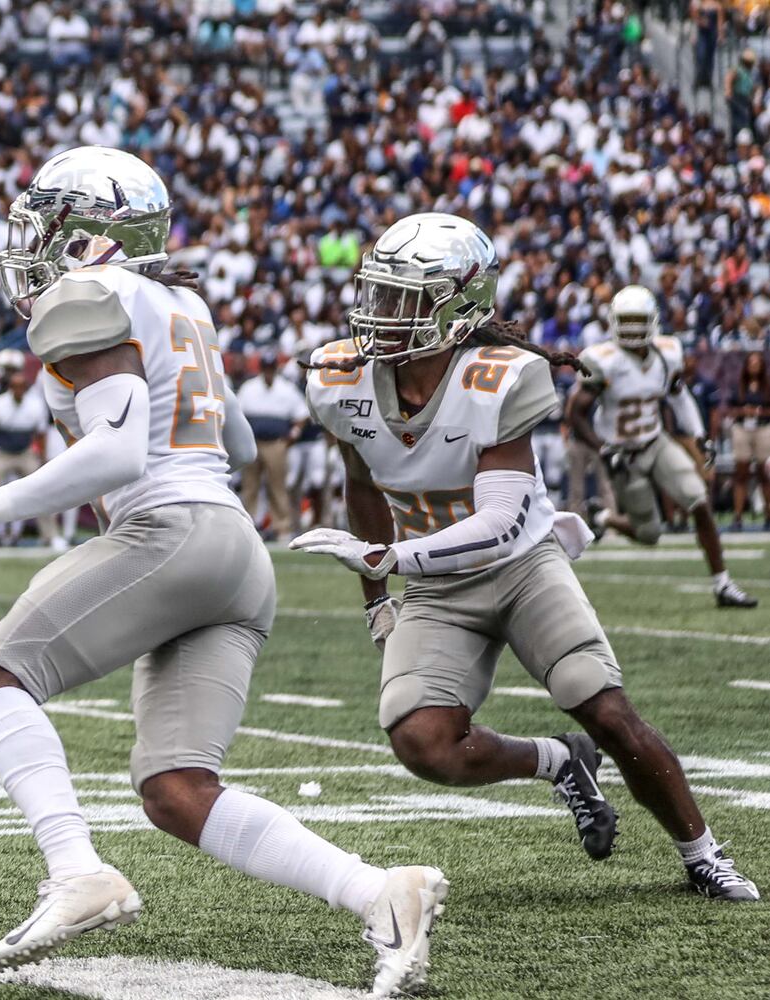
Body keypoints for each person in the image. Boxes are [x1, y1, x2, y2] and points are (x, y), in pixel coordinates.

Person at [0, 148, 450, 997]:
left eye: (47, 221)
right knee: (176, 790)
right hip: (233, 553)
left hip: (171, 532)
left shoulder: (88, 297)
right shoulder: (182, 303)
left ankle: (76, 870)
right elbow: (243, 445)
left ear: (90, 238)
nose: (29, 238)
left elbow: (111, 451)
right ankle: (377, 893)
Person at [292, 213, 759, 905]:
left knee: (599, 705)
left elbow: (495, 523)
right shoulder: (343, 378)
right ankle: (556, 762)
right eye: (379, 294)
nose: (382, 314)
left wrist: (388, 555)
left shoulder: (502, 377)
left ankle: (701, 851)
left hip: (518, 567)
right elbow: (362, 484)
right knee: (421, 740)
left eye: (403, 299)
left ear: (458, 306)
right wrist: (378, 599)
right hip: (432, 586)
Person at [569, 285, 757, 608]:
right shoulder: (604, 360)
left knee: (699, 500)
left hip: (656, 443)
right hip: (622, 456)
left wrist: (698, 434)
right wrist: (603, 449)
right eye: (626, 321)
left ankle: (723, 584)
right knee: (650, 533)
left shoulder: (666, 353)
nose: (632, 328)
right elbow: (575, 413)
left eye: (637, 321)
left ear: (652, 321)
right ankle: (603, 519)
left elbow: (678, 396)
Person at [0, 368, 58, 548]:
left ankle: (51, 536)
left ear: (26, 388)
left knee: (42, 488)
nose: (18, 390)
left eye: (22, 387)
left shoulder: (35, 405)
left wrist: (43, 458)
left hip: (25, 452)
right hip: (2, 452)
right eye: (15, 386)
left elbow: (41, 435)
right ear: (10, 388)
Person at [235, 351, 309, 539]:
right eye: (265, 368)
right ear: (261, 369)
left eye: (271, 368)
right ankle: (247, 524)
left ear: (275, 368)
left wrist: (293, 435)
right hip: (253, 442)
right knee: (250, 485)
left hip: (277, 443)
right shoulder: (249, 388)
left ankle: (281, 526)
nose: (268, 372)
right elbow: (238, 414)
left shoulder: (286, 388)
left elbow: (301, 414)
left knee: (277, 486)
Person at [726, 351, 769, 530]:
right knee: (741, 473)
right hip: (742, 428)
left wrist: (758, 412)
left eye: (756, 363)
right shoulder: (739, 387)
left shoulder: (767, 387)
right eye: (751, 363)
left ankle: (768, 514)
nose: (753, 366)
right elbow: (729, 410)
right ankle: (738, 516)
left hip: (763, 428)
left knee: (765, 473)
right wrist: (744, 412)